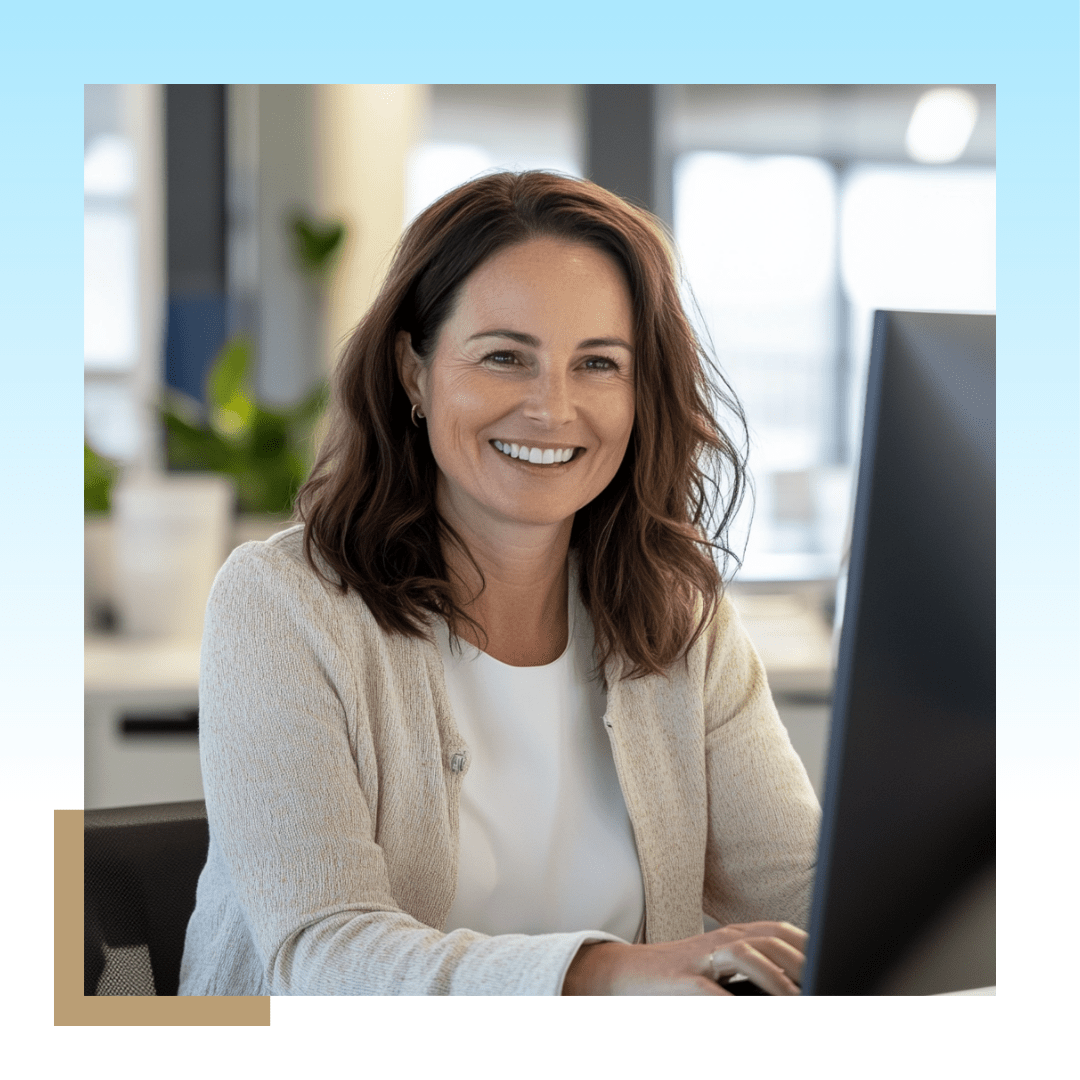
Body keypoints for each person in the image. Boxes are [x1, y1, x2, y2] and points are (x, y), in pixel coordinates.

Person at [178, 170, 820, 996]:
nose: (551, 409)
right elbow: (322, 957)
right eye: (505, 357)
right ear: (415, 371)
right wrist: (605, 976)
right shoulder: (282, 606)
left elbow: (805, 898)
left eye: (597, 363)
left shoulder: (677, 614)